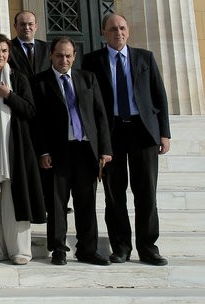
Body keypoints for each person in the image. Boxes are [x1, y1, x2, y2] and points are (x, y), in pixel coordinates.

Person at [82, 14, 171, 266]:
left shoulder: (145, 58)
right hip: (112, 134)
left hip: (144, 132)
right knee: (114, 194)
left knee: (146, 193)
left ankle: (148, 247)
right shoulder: (92, 61)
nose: (118, 33)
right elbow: (88, 103)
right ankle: (120, 247)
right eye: (112, 29)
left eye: (121, 28)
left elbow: (159, 96)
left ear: (128, 31)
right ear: (103, 33)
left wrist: (164, 133)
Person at [31, 38, 112, 267]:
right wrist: (43, 151)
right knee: (57, 203)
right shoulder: (39, 82)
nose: (64, 60)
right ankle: (58, 248)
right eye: (59, 55)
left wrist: (105, 148)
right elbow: (36, 123)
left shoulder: (88, 78)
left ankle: (88, 249)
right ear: (51, 56)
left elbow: (100, 115)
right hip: (58, 151)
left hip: (86, 150)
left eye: (68, 55)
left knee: (86, 202)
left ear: (74, 56)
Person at [0, 34, 46, 265]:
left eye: (4, 50)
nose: (0, 55)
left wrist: (9, 96)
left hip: (14, 148)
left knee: (15, 200)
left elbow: (30, 110)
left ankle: (20, 251)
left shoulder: (18, 78)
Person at [9, 11, 50, 77]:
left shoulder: (47, 48)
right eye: (22, 24)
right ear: (15, 26)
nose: (27, 28)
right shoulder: (8, 48)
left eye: (30, 24)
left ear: (36, 26)